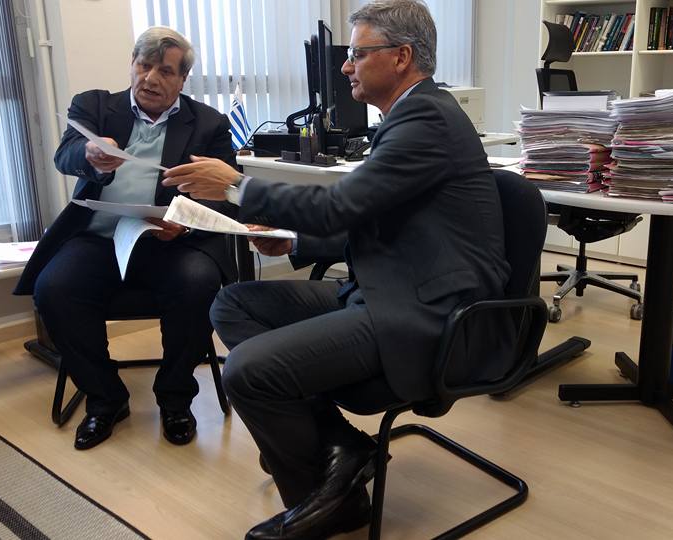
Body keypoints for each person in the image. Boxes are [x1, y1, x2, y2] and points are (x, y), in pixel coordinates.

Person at [163, 1, 514, 538]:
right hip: (391, 289)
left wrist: (236, 186)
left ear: (401, 57)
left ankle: (329, 503)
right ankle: (341, 448)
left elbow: (339, 206)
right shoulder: (408, 115)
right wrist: (295, 240)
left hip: (430, 311)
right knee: (234, 304)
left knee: (246, 372)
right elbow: (368, 220)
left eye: (357, 54)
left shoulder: (426, 118)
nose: (346, 66)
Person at [14, 27, 239, 450]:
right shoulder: (95, 106)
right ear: (132, 65)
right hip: (98, 239)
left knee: (199, 282)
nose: (150, 78)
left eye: (165, 71)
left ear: (182, 79)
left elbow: (225, 194)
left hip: (169, 242)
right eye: (143, 65)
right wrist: (89, 154)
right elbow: (65, 155)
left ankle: (175, 399)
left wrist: (185, 222)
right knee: (53, 288)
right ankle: (106, 399)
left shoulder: (209, 123)